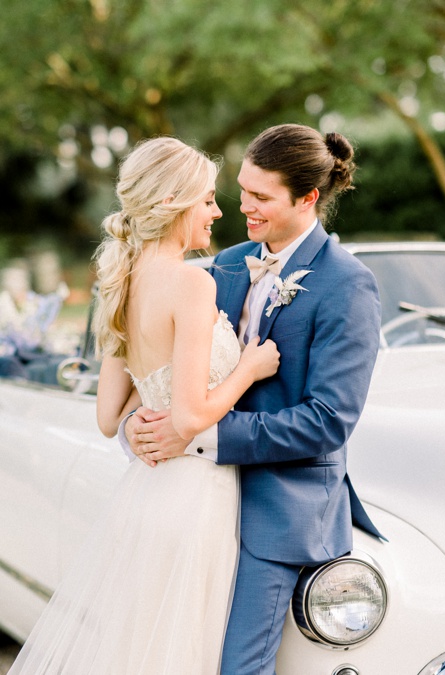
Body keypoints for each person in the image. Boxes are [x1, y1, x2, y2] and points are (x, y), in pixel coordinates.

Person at [10, 137, 281, 674]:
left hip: (148, 496)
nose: (218, 212)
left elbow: (109, 416)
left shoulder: (121, 282)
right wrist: (248, 369)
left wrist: (150, 392)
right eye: (206, 200)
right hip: (196, 493)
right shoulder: (191, 282)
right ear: (171, 204)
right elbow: (189, 417)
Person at [122, 123, 383, 674]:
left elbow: (327, 422)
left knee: (237, 668)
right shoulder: (224, 263)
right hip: (198, 502)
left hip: (279, 509)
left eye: (261, 197)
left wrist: (195, 436)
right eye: (242, 190)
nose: (243, 207)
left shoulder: (348, 284)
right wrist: (139, 429)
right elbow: (157, 363)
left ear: (308, 198)